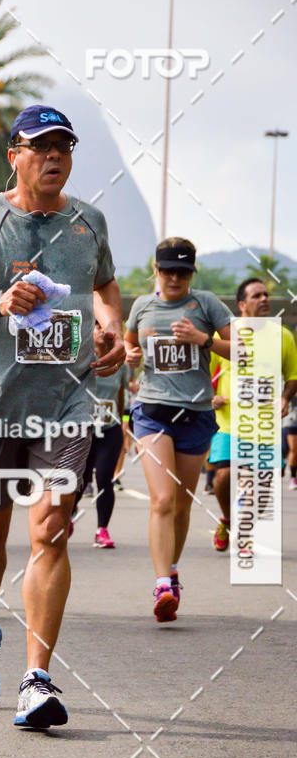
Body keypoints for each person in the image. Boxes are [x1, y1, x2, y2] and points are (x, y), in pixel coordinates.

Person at [0, 104, 125, 728]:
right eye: (41, 146)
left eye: (64, 145)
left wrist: (112, 323)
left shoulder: (89, 223)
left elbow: (106, 287)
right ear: (15, 154)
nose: (55, 156)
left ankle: (37, 679)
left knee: (53, 528)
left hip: (67, 403)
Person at [125, 237, 231, 622]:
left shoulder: (206, 305)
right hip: (153, 412)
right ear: (157, 270)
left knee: (183, 505)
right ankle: (161, 585)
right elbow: (128, 347)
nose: (175, 278)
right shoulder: (142, 307)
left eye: (183, 272)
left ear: (191, 274)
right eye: (169, 270)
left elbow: (245, 351)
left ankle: (171, 570)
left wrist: (204, 340)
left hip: (196, 414)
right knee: (163, 500)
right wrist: (130, 355)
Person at [209, 278, 297, 548]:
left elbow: (293, 375)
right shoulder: (223, 335)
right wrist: (210, 395)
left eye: (266, 295)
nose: (264, 299)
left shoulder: (283, 336)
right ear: (242, 305)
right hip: (228, 421)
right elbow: (203, 369)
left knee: (263, 484)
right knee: (223, 475)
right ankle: (227, 519)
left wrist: (284, 397)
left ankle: (244, 531)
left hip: (266, 424)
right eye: (257, 296)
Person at [72, 329, 129, 548]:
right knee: (81, 478)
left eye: (105, 327)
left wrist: (122, 422)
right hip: (83, 428)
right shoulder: (81, 357)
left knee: (105, 478)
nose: (101, 331)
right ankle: (68, 514)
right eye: (96, 326)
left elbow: (121, 393)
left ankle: (102, 529)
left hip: (109, 428)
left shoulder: (118, 361)